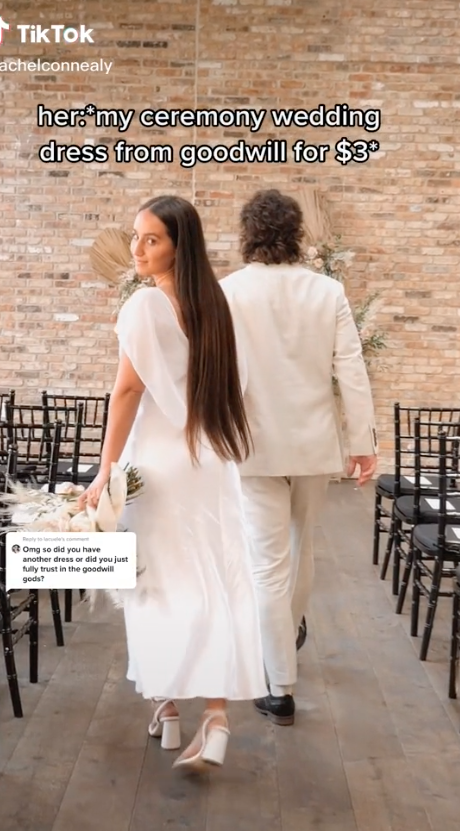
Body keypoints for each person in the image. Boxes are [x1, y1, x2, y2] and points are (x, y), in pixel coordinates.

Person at [78, 195, 268, 772]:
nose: (137, 248)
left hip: (158, 466)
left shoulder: (143, 307)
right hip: (211, 464)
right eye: (136, 235)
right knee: (215, 577)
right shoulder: (216, 304)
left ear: (178, 247)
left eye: (152, 239)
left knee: (156, 585)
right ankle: (212, 718)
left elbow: (127, 393)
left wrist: (105, 467)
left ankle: (167, 708)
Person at [220, 189, 378, 726]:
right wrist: (363, 444)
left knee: (266, 564)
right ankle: (286, 644)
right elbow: (350, 369)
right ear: (297, 232)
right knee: (301, 548)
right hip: (313, 445)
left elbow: (213, 377)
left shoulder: (229, 292)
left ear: (248, 233)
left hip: (252, 445)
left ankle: (279, 682)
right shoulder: (327, 290)